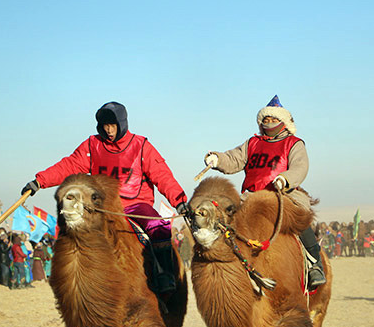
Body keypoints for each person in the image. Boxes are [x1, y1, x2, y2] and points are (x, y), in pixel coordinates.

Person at [21, 101, 191, 294]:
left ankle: (165, 275)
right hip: (101, 207)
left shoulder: (141, 146)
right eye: (105, 126)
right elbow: (69, 165)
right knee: (71, 227)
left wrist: (180, 201)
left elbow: (162, 175)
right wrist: (39, 181)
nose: (109, 130)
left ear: (122, 124)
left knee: (159, 227)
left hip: (136, 205)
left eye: (113, 125)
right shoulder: (93, 146)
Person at [202, 96, 327, 288]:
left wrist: (285, 179)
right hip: (251, 196)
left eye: (273, 119)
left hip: (282, 192)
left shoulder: (294, 143)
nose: (268, 123)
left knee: (299, 219)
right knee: (224, 223)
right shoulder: (253, 143)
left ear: (283, 122)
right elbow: (234, 159)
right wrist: (217, 159)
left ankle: (314, 264)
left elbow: (300, 166)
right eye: (265, 120)